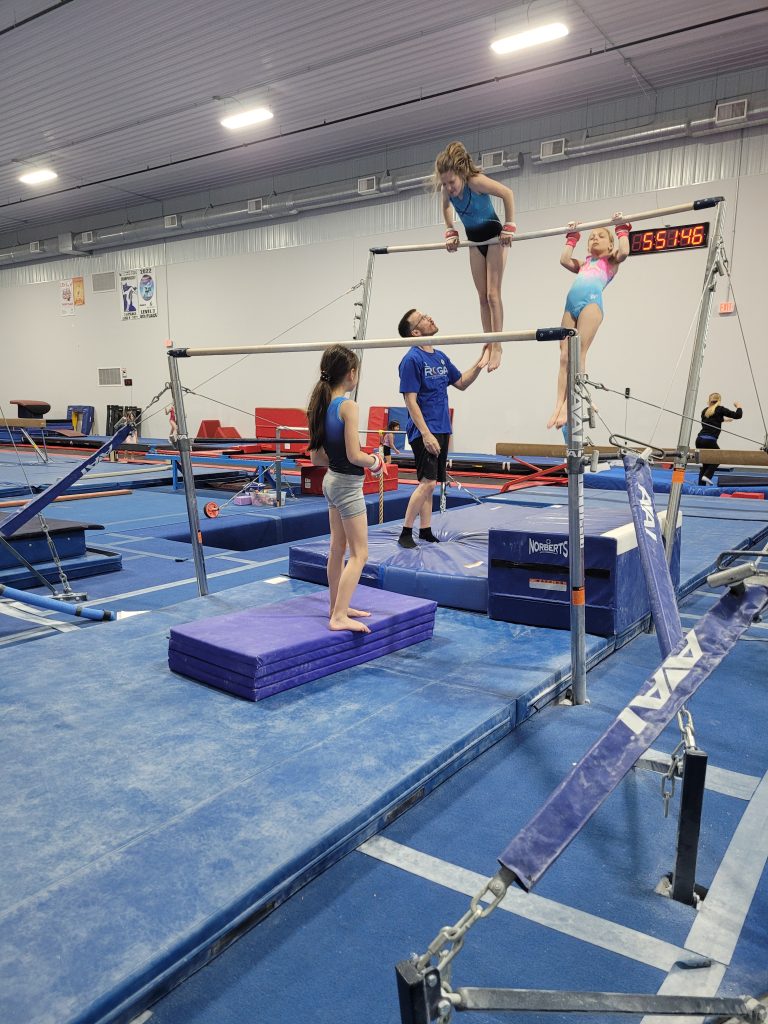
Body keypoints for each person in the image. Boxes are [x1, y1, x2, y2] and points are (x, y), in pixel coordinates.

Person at [307, 345, 385, 633]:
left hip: (331, 481)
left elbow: (316, 458)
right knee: (360, 554)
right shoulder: (348, 407)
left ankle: (336, 606)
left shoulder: (320, 405)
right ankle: (339, 616)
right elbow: (355, 456)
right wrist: (376, 461)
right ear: (352, 374)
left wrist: (345, 459)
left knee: (337, 548)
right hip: (347, 486)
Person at [396, 309, 488, 548]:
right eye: (423, 318)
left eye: (427, 314)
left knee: (432, 482)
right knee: (427, 482)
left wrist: (479, 364)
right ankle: (406, 531)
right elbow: (410, 400)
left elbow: (461, 383)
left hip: (442, 427)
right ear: (415, 332)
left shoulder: (440, 357)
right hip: (424, 429)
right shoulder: (411, 359)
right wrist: (425, 434)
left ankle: (425, 530)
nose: (430, 318)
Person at [435, 141, 516, 373]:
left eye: (452, 182)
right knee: (481, 297)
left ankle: (499, 346)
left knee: (493, 294)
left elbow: (507, 193)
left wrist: (509, 225)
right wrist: (451, 230)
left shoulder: (475, 182)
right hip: (474, 241)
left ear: (461, 174)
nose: (450, 188)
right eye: (445, 183)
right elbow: (446, 207)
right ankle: (489, 343)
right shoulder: (446, 191)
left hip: (493, 238)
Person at [547, 216, 631, 430]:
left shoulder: (610, 261)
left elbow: (624, 252)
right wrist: (572, 238)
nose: (594, 239)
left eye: (600, 236)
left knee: (578, 353)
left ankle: (568, 405)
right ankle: (558, 405)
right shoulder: (584, 264)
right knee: (564, 355)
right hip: (571, 305)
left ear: (610, 244)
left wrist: (622, 229)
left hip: (591, 305)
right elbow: (564, 260)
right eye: (591, 237)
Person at [695, 392, 743, 486]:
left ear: (709, 401)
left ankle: (701, 485)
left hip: (699, 440)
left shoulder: (705, 410)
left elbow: (711, 420)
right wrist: (739, 406)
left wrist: (724, 420)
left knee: (706, 463)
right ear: (719, 401)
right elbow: (738, 415)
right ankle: (708, 476)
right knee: (718, 457)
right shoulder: (720, 409)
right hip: (709, 440)